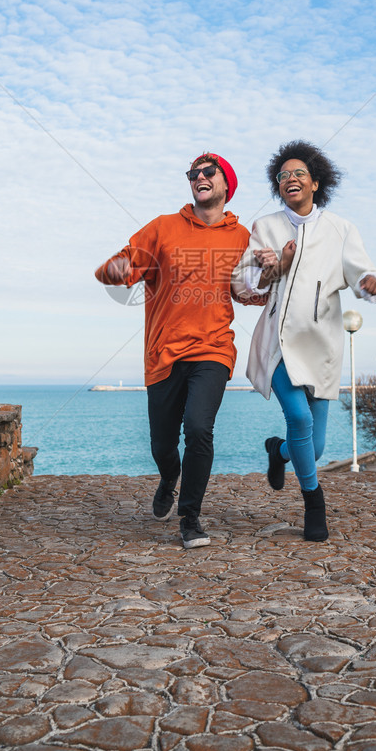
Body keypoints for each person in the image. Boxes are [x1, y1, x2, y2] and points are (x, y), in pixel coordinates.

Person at [95, 153, 250, 549]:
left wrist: (270, 271)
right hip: (163, 353)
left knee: (200, 428)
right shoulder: (163, 228)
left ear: (225, 184)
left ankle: (191, 518)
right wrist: (113, 270)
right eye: (193, 173)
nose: (199, 177)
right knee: (162, 445)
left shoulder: (241, 237)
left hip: (214, 347)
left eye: (208, 172)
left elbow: (249, 291)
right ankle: (168, 476)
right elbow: (124, 264)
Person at [232, 140, 376, 541]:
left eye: (299, 173)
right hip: (279, 343)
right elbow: (243, 280)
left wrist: (370, 284)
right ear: (277, 186)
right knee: (298, 419)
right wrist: (269, 269)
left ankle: (277, 451)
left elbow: (361, 272)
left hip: (323, 346)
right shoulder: (265, 227)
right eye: (283, 175)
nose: (290, 179)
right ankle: (314, 503)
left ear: (316, 183)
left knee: (311, 449)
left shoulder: (341, 229)